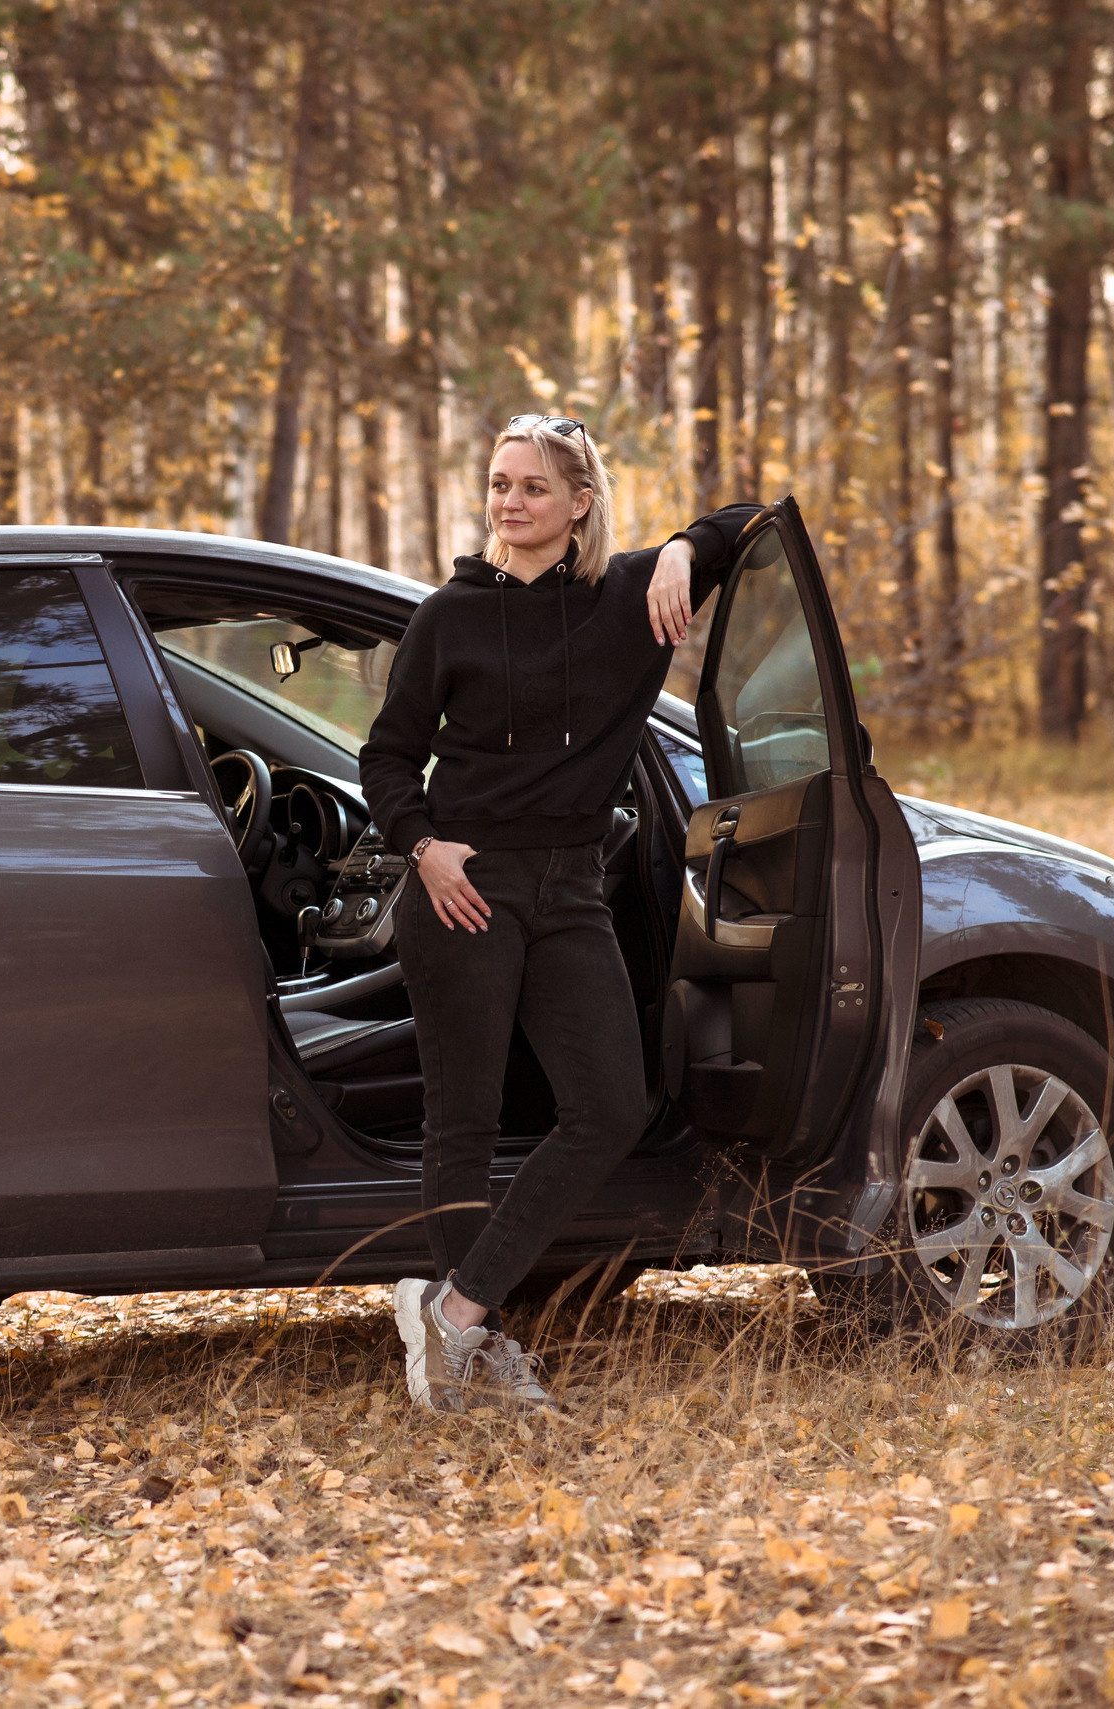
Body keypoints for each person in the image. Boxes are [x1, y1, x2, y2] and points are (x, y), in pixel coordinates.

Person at [358, 415, 760, 1414]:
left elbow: (755, 518)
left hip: (573, 886)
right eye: (500, 483)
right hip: (465, 884)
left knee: (611, 1105)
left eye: (533, 486)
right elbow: (387, 755)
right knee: (464, 1119)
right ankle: (471, 1340)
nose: (510, 501)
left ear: (580, 502)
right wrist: (423, 845)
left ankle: (452, 1308)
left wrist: (682, 549)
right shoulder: (449, 615)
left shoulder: (629, 597)